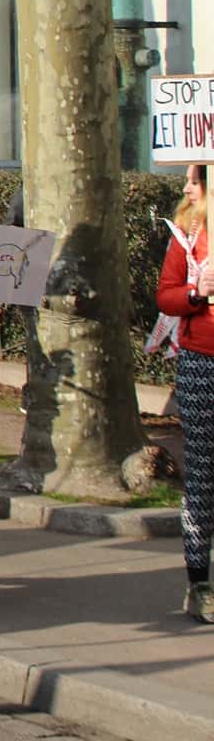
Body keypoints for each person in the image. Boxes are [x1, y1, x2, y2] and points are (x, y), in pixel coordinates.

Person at [158, 164, 213, 623]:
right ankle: (199, 582)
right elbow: (166, 297)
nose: (186, 187)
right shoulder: (189, 237)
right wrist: (196, 291)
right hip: (202, 363)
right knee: (202, 475)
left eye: (195, 179)